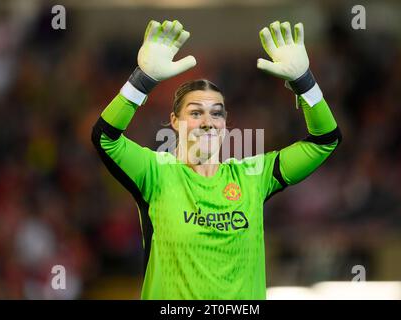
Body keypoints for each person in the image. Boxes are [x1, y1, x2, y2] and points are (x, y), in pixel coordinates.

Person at [91, 19, 342, 299]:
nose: (208, 121)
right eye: (196, 112)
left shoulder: (252, 176)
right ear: (175, 121)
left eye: (217, 113)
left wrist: (304, 82)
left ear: (225, 123)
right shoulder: (155, 173)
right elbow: (105, 137)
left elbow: (325, 140)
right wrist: (142, 80)